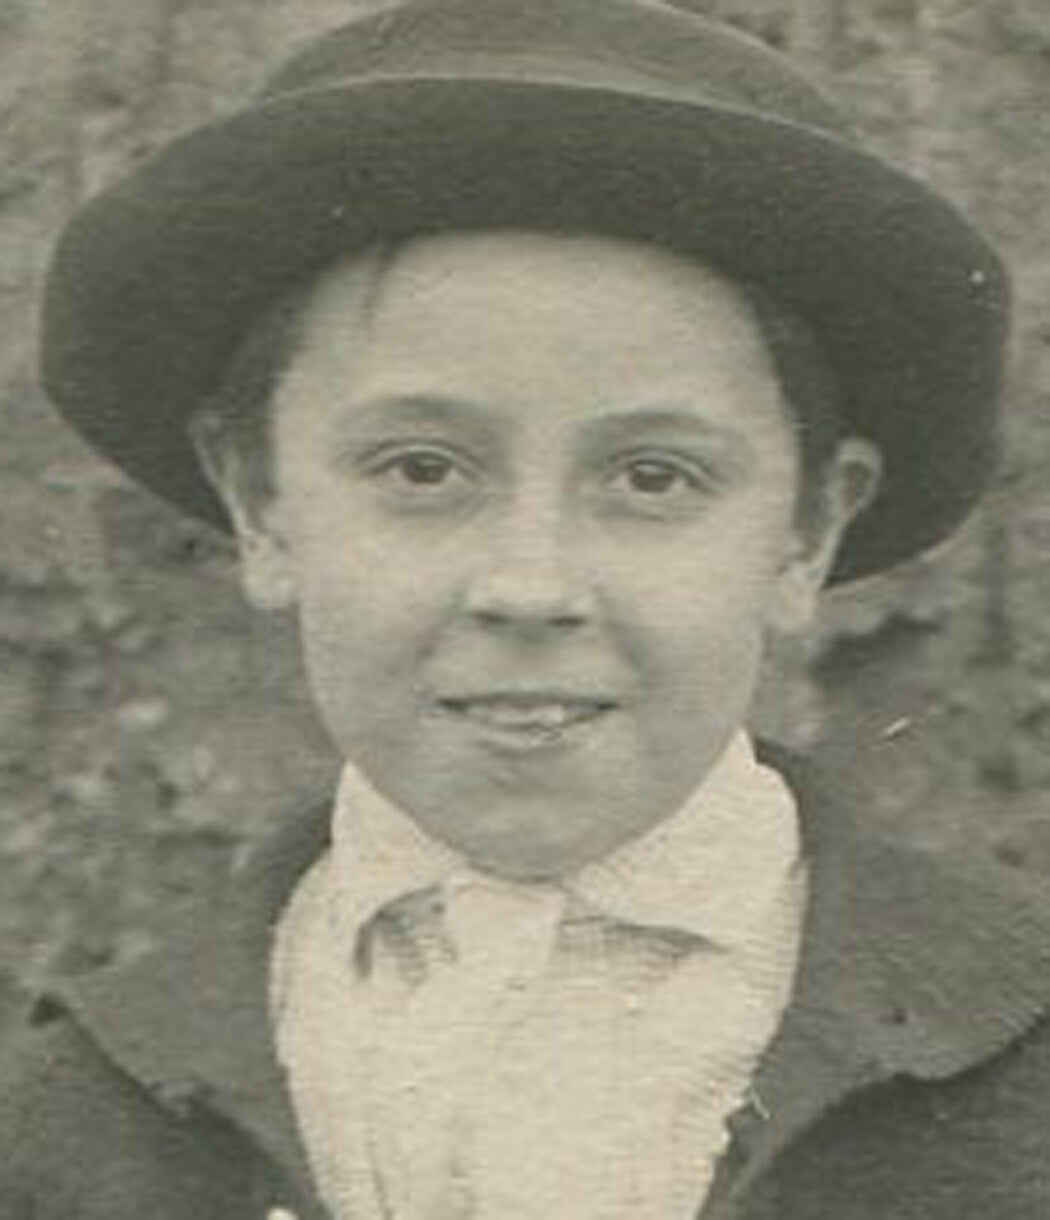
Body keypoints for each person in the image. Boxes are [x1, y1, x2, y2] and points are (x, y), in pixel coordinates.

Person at [3, 1, 1049, 1217]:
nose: (531, 587)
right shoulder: (68, 1119)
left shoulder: (1019, 1059)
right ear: (263, 502)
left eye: (653, 477)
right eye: (422, 470)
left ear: (810, 524)